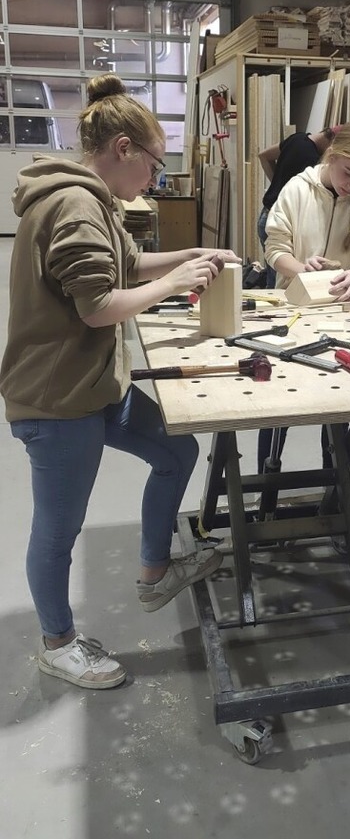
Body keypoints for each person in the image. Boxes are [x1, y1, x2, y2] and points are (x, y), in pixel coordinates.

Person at [0, 73, 242, 690]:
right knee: (59, 529)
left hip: (96, 384)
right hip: (57, 398)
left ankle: (155, 572)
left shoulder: (97, 199)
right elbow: (97, 305)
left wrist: (191, 259)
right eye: (155, 163)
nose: (156, 180)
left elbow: (127, 264)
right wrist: (174, 286)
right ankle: (57, 643)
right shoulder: (77, 203)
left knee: (176, 448)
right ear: (125, 149)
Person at [259, 120, 350, 473]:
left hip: (341, 313)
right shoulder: (297, 190)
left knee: (340, 404)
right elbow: (275, 248)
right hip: (293, 309)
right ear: (330, 156)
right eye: (349, 172)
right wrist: (302, 269)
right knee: (277, 405)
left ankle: (336, 488)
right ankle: (265, 480)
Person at [257, 126, 337, 287]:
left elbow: (263, 155)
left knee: (273, 272)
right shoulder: (312, 160)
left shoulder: (297, 139)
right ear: (331, 145)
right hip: (279, 220)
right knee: (278, 274)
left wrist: (277, 183)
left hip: (266, 213)